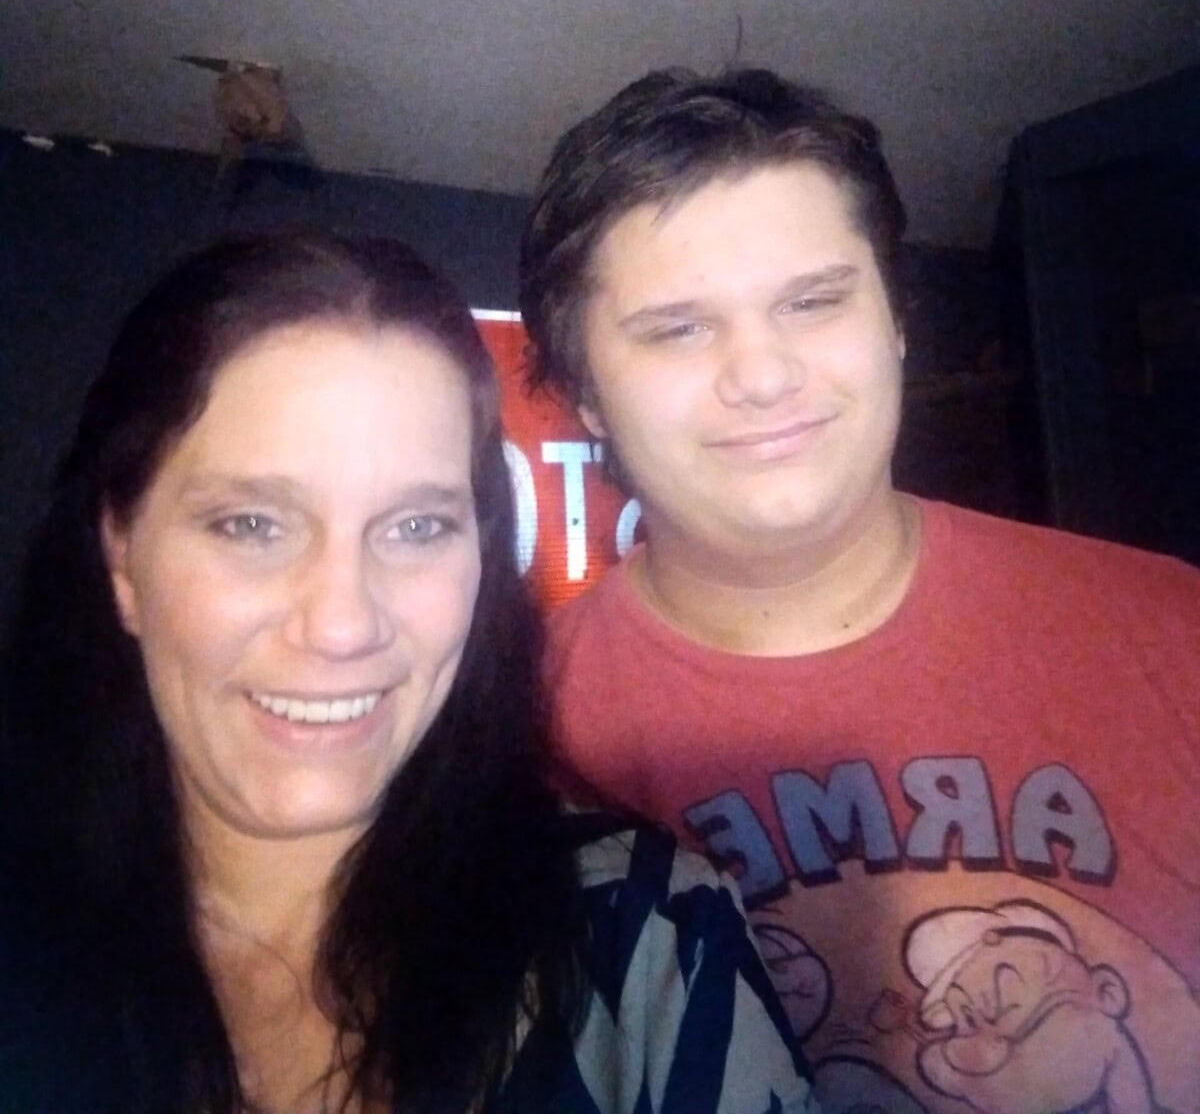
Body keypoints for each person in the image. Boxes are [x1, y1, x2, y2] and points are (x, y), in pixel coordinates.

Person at [0, 230, 815, 1114]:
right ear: (122, 557)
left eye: (417, 527)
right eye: (252, 525)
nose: (344, 623)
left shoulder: (648, 938)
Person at [518, 66, 1200, 1114]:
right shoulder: (515, 740)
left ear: (895, 325)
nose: (762, 372)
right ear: (584, 395)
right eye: (678, 328)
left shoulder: (1174, 632)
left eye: (814, 300)